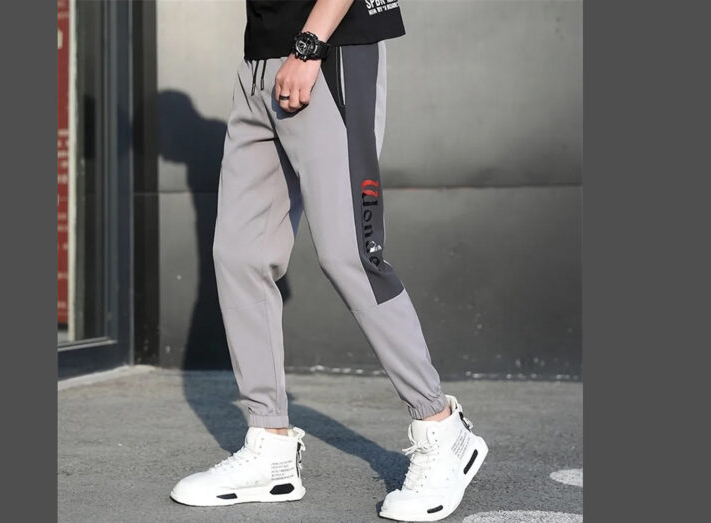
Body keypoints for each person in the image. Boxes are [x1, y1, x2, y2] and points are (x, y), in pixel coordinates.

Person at [170, 1, 488, 520]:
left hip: (327, 51)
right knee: (240, 255)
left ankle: (441, 426)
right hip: (261, 64)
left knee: (350, 255)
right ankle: (270, 445)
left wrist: (308, 46)